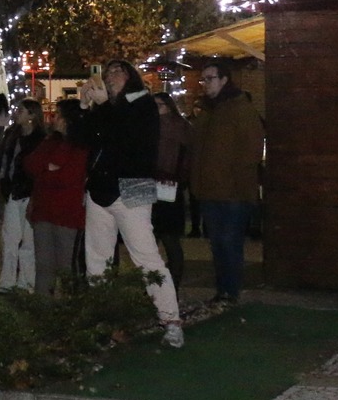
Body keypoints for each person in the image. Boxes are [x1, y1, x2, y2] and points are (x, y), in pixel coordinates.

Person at [76, 60, 183, 344]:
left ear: (131, 77)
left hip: (134, 186)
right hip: (100, 189)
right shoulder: (107, 107)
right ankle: (102, 320)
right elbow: (81, 140)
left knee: (146, 256)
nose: (110, 77)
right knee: (97, 259)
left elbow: (126, 136)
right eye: (107, 72)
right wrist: (85, 107)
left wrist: (103, 107)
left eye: (117, 72)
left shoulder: (143, 104)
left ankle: (171, 318)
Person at [189, 58, 264, 306]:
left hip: (233, 193)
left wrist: (235, 179)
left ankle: (230, 292)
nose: (205, 84)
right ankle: (223, 290)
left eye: (210, 79)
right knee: (218, 244)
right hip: (210, 190)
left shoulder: (240, 109)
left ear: (224, 80)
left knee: (229, 243)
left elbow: (251, 150)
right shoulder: (208, 111)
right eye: (203, 79)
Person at [24, 99, 88, 294]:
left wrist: (46, 171)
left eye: (59, 115)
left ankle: (71, 311)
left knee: (67, 267)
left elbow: (68, 177)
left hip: (67, 214)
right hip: (44, 211)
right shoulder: (49, 141)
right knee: (44, 267)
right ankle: (43, 312)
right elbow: (30, 165)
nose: (54, 118)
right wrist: (48, 169)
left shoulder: (80, 145)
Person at [0, 98, 42, 291]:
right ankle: (7, 282)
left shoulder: (38, 139)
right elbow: (4, 159)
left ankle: (26, 282)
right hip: (13, 191)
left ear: (32, 115)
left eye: (22, 110)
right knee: (10, 238)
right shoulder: (12, 135)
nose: (17, 113)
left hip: (29, 192)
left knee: (28, 240)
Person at [151, 92, 193, 287]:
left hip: (160, 184)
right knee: (168, 239)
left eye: (158, 106)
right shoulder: (184, 127)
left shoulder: (162, 128)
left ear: (168, 106)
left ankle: (158, 284)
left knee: (157, 238)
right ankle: (170, 283)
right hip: (171, 187)